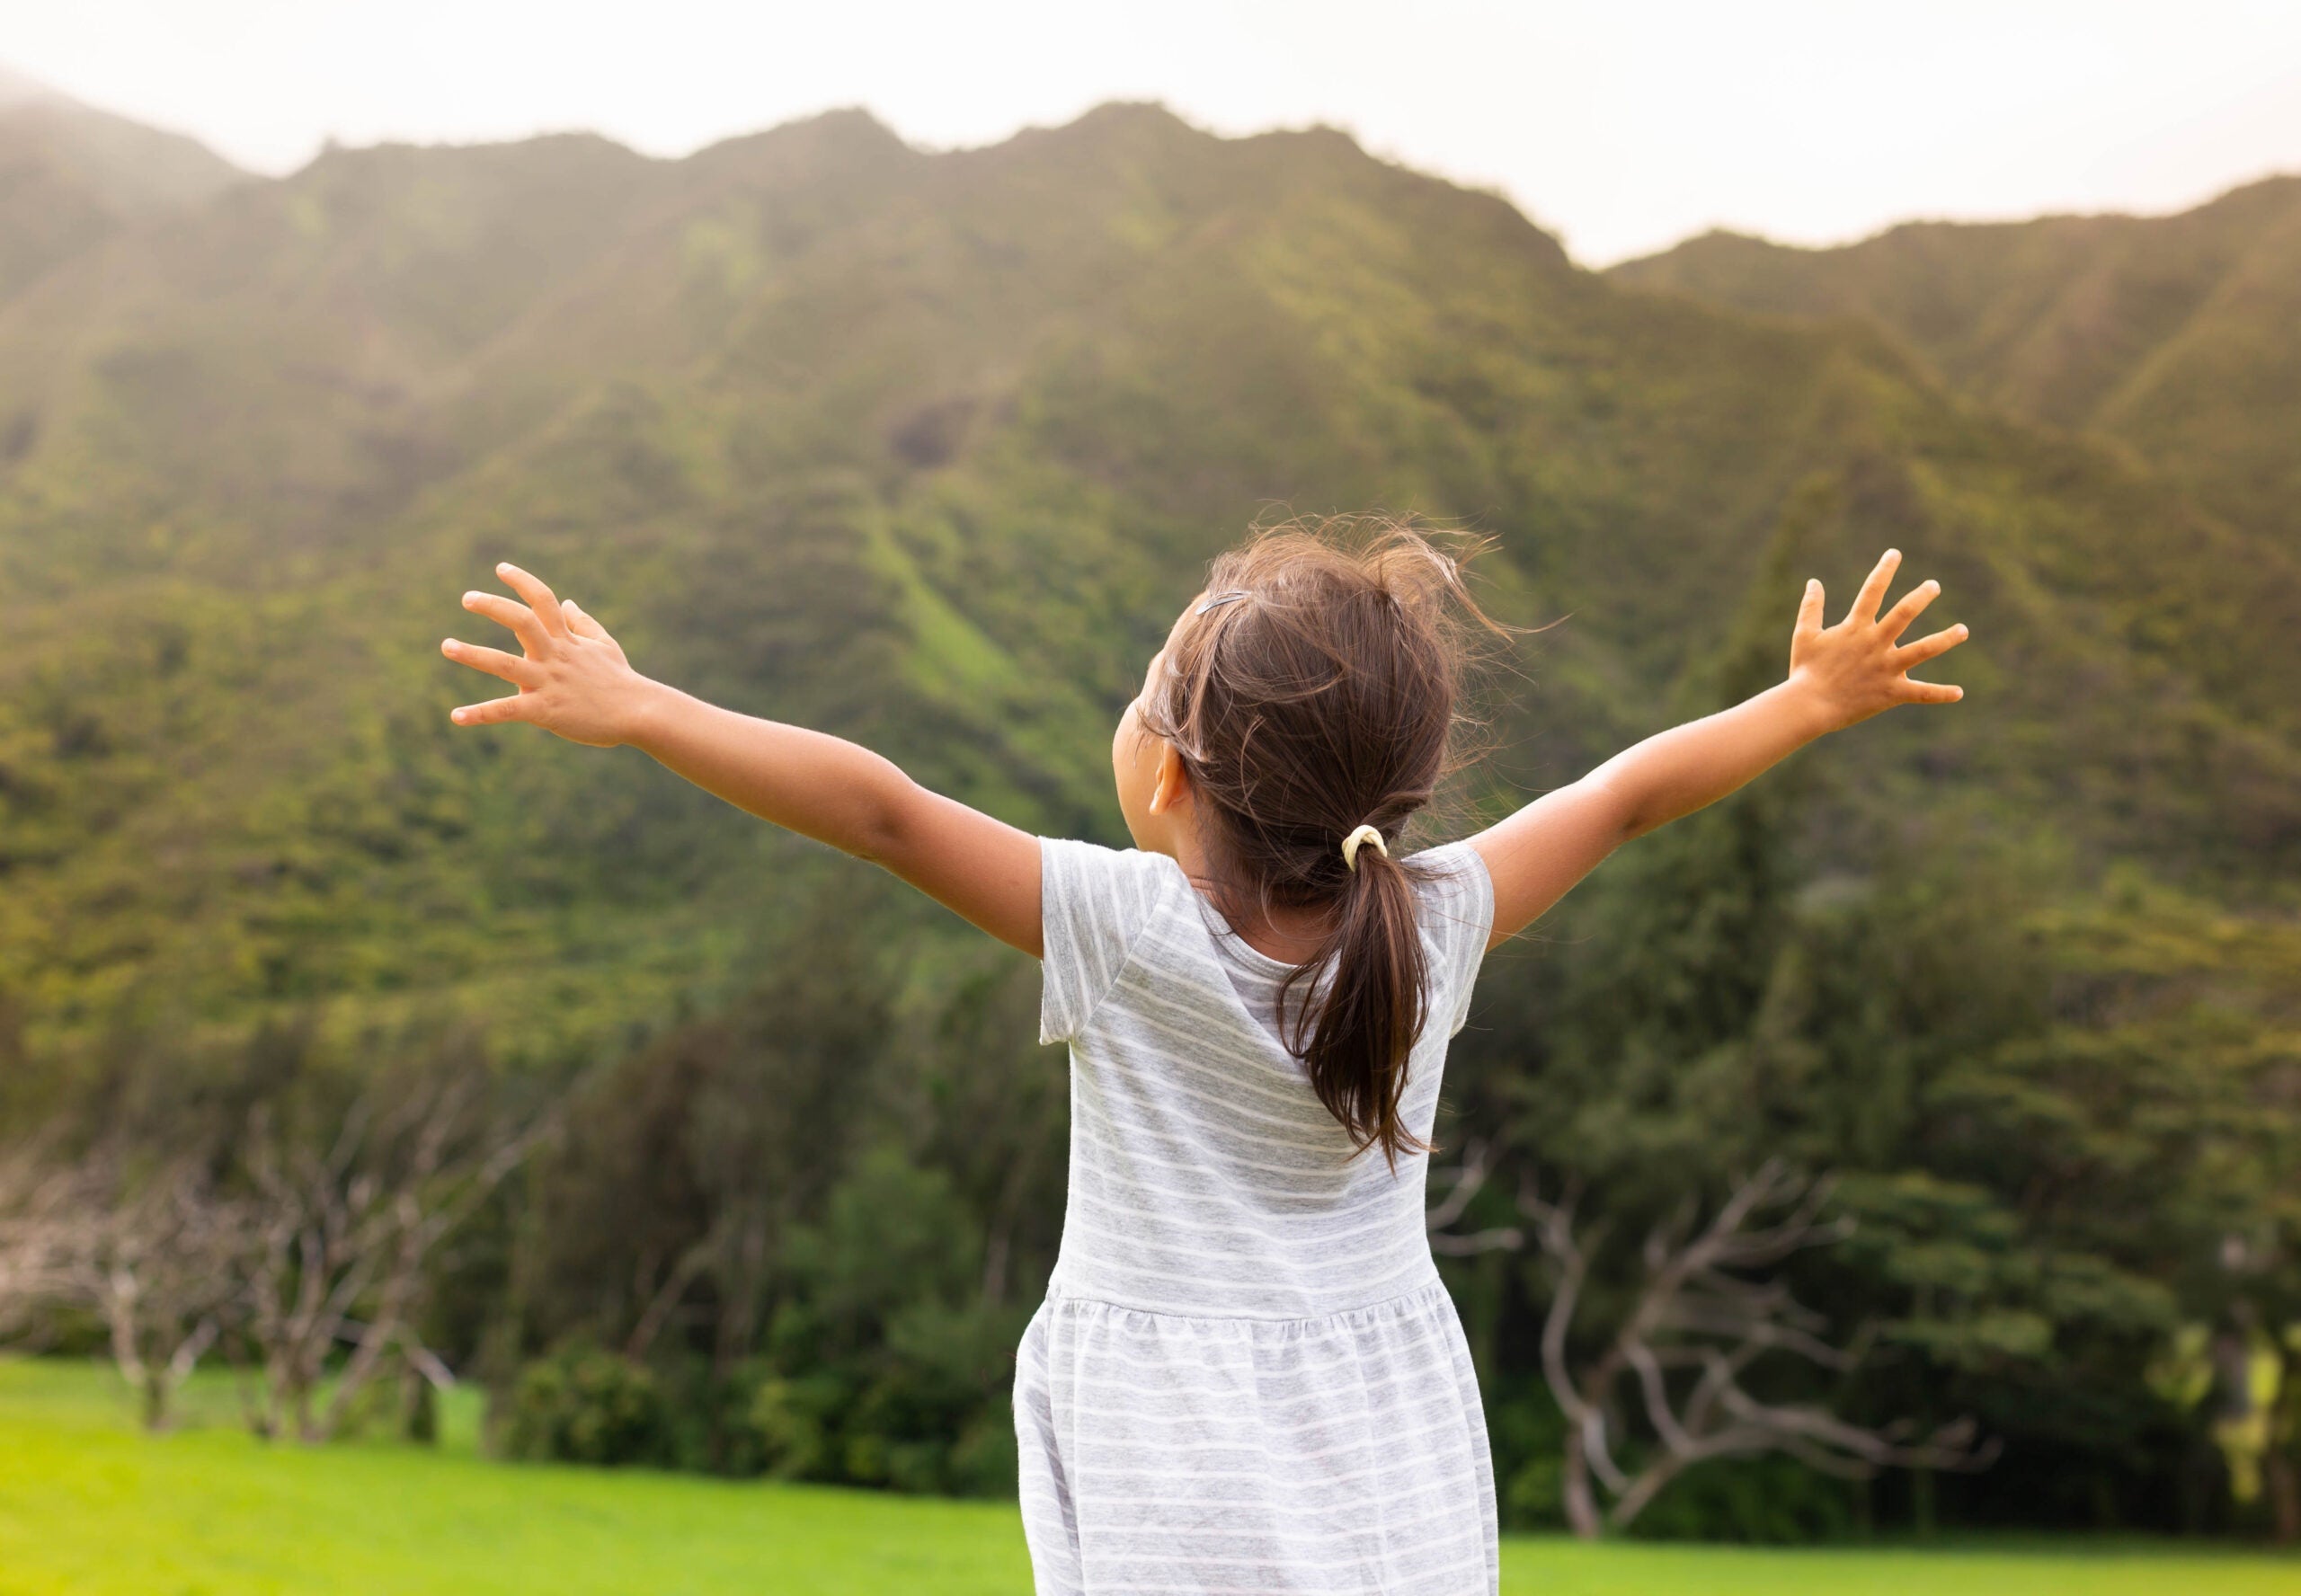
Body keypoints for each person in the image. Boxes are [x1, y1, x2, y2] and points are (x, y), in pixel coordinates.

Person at [440, 519, 1966, 1595]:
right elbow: (1626, 796)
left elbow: (882, 809)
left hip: (1175, 1440)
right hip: (1386, 1420)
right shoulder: (1436, 922)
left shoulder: (1124, 927)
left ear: (1165, 772)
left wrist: (645, 708)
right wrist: (1806, 699)